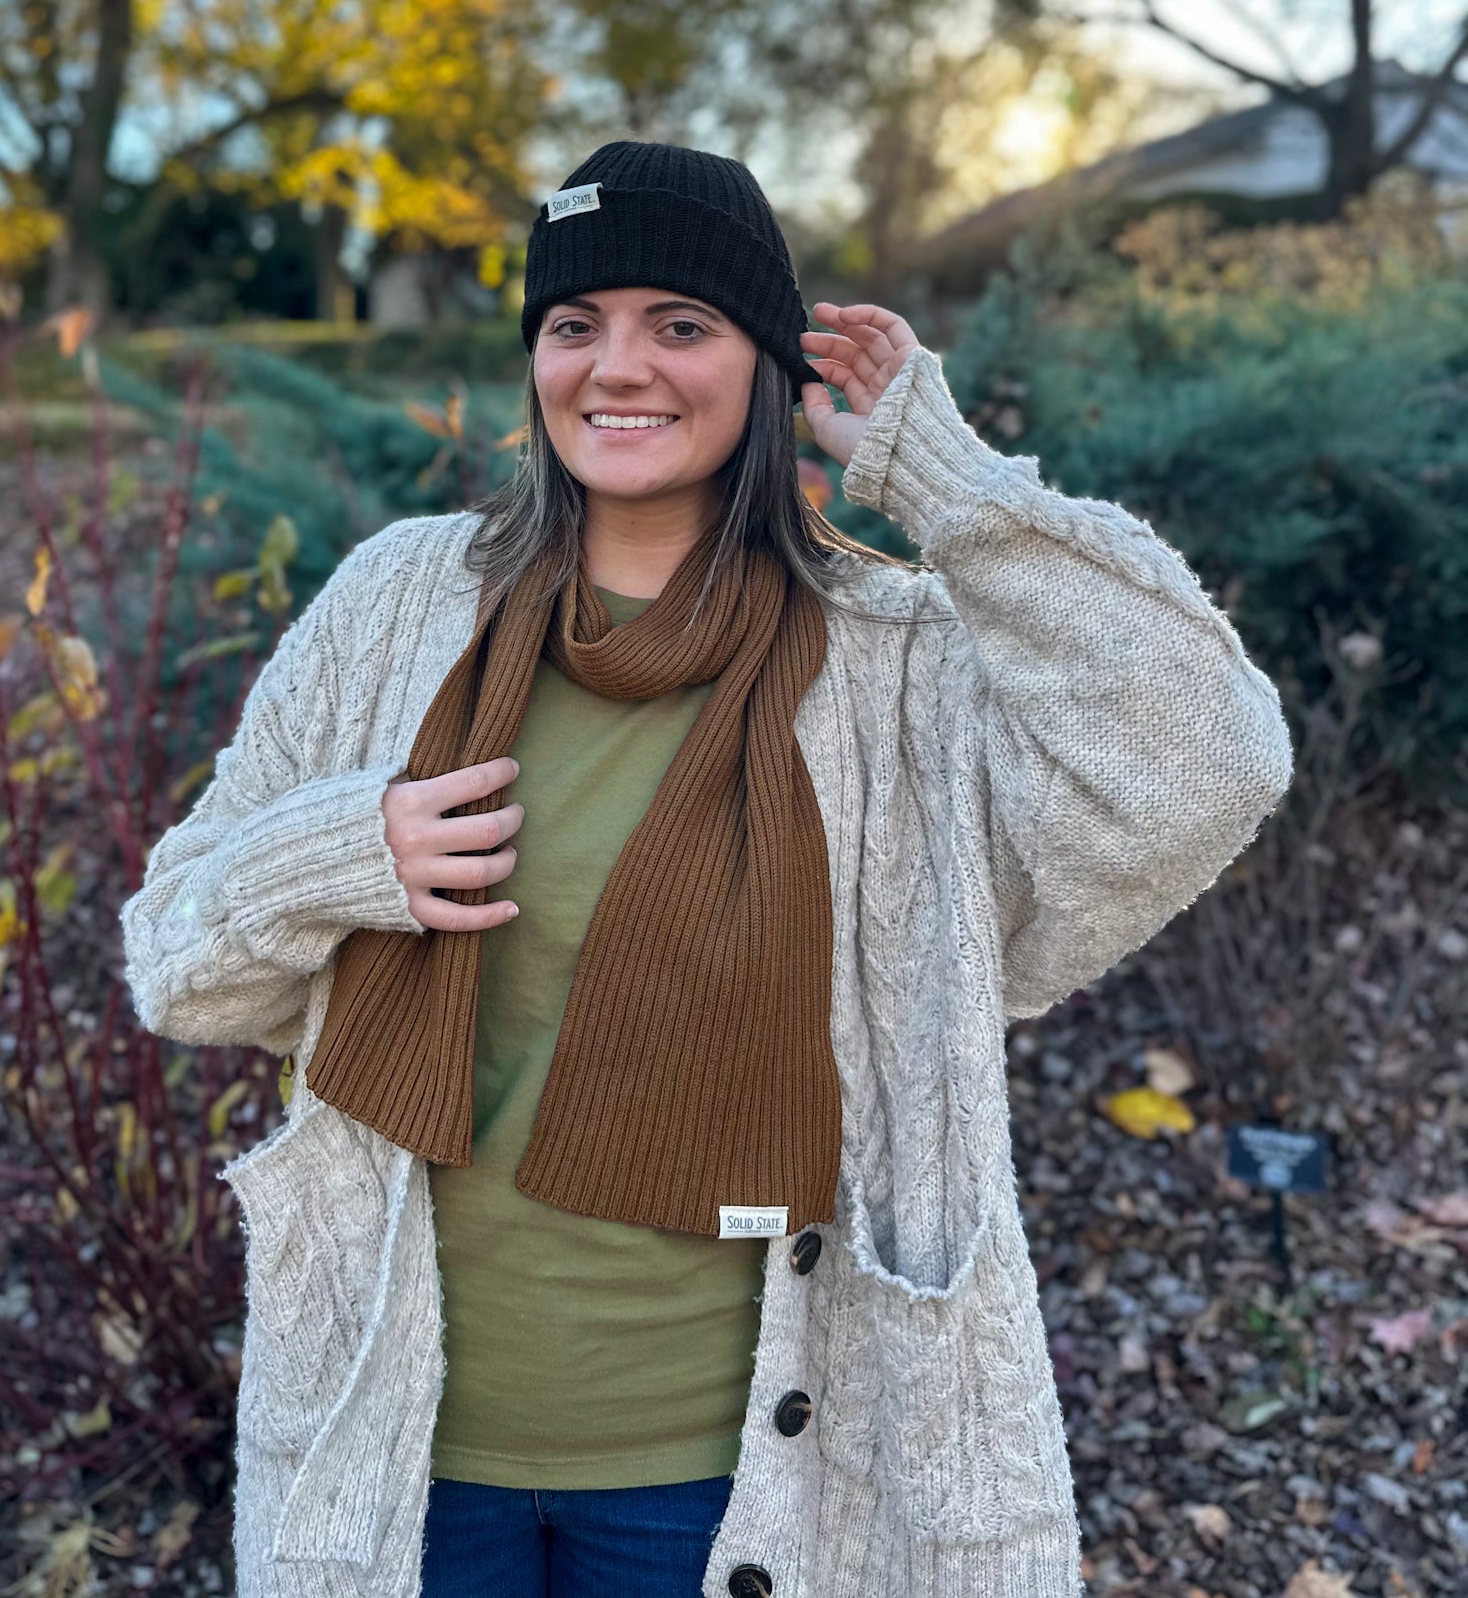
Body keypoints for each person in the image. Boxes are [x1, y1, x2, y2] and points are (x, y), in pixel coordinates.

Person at [121, 140, 1293, 1598]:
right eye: (574, 324)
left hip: (724, 1475)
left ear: (764, 366)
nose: (619, 368)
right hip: (393, 1440)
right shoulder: (398, 607)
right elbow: (175, 955)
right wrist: (342, 853)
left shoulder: (894, 666)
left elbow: (1212, 761)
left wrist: (949, 481)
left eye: (681, 324)